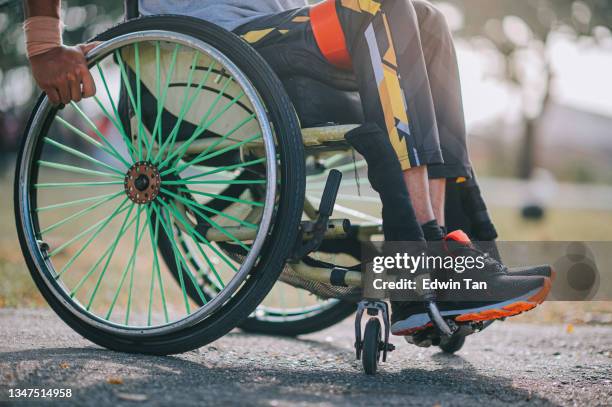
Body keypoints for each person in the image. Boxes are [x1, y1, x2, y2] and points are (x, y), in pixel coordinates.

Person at [23, 0, 552, 338]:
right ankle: (420, 264)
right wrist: (44, 45)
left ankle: (464, 255)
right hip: (208, 49)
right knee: (378, 5)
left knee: (428, 19)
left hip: (285, 41)